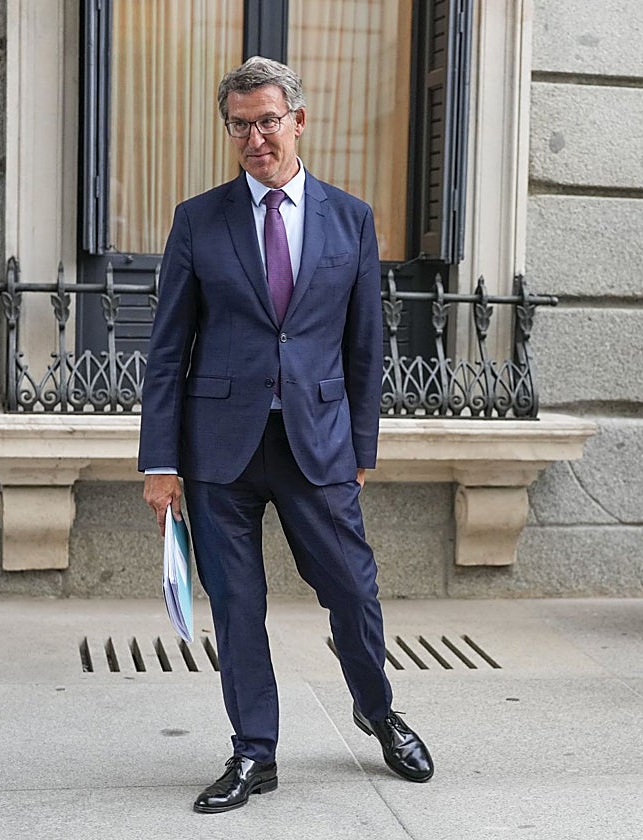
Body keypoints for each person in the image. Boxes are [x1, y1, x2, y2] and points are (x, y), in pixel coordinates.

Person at [138, 56, 433, 814]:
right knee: (237, 607)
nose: (255, 137)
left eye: (269, 120)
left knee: (352, 591)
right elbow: (168, 348)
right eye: (240, 124)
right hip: (218, 452)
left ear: (298, 121)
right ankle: (253, 753)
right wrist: (160, 461)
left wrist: (361, 448)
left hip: (320, 444)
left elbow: (366, 345)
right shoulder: (198, 219)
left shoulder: (350, 218)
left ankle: (377, 709)